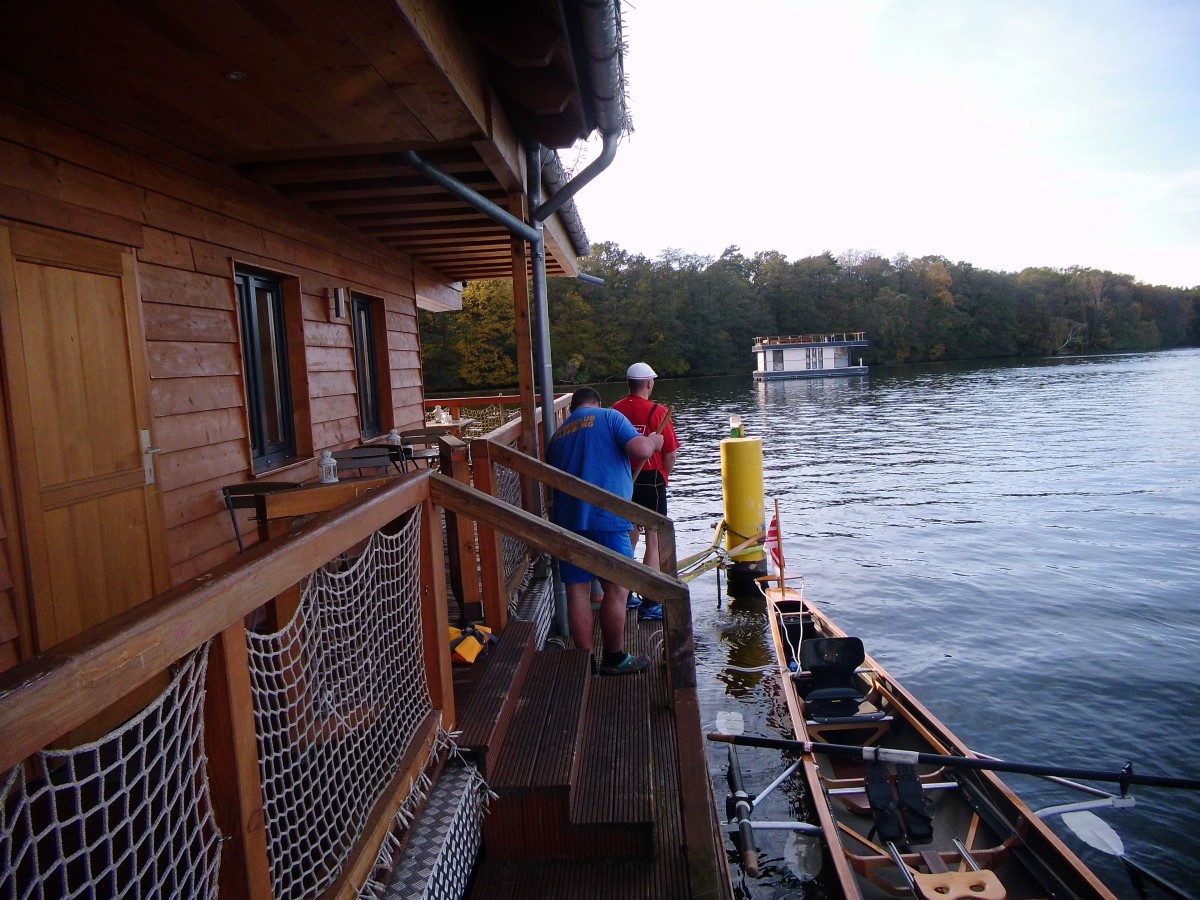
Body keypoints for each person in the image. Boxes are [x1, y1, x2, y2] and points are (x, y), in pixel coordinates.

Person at [546, 386, 664, 675]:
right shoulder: (610, 417)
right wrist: (653, 440)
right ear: (597, 402)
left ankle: (585, 663)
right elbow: (640, 450)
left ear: (572, 408)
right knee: (617, 587)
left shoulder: (558, 436)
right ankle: (614, 658)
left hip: (568, 521)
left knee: (577, 590)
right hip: (608, 518)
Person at [611, 362, 680, 621]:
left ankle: (624, 594)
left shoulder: (614, 410)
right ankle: (650, 602)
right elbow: (670, 453)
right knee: (653, 538)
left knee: (627, 535)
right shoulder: (657, 411)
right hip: (651, 479)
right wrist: (664, 477)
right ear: (649, 383)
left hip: (622, 479)